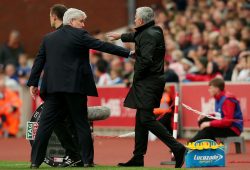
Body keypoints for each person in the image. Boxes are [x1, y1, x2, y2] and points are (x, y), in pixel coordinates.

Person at [27, 8, 132, 169]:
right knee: (81, 124)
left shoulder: (48, 38)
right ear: (71, 21)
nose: (83, 25)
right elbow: (103, 46)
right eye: (81, 21)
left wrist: (33, 83)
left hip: (53, 89)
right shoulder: (80, 35)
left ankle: (35, 162)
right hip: (75, 87)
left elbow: (39, 61)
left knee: (45, 126)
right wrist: (129, 53)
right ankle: (87, 161)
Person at [108, 7, 186, 168]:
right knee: (141, 120)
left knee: (145, 119)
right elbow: (137, 36)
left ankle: (178, 148)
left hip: (148, 81)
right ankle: (138, 157)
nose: (134, 20)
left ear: (142, 20)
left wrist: (134, 75)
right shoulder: (150, 31)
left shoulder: (149, 35)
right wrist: (120, 36)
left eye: (136, 18)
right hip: (148, 81)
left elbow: (146, 60)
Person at [189, 78, 243, 142]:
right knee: (202, 120)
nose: (209, 90)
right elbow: (219, 115)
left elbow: (227, 121)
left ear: (217, 89)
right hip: (226, 125)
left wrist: (209, 123)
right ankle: (210, 144)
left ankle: (191, 143)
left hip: (233, 129)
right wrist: (208, 115)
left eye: (211, 88)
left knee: (208, 129)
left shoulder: (227, 99)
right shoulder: (218, 98)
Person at [0, 72, 22, 137]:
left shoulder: (9, 92)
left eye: (3, 87)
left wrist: (12, 108)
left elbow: (17, 102)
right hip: (1, 115)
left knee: (15, 115)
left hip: (9, 114)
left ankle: (12, 133)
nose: (2, 88)